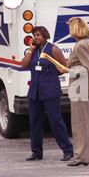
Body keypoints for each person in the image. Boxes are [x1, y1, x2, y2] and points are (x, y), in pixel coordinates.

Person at [42, 17, 89, 166]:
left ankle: (81, 157)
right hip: (85, 88)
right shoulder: (87, 43)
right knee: (88, 123)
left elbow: (86, 68)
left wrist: (67, 70)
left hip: (80, 88)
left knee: (80, 124)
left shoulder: (80, 45)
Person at [21, 26, 74, 161]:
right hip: (35, 91)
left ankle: (67, 150)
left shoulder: (53, 49)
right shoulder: (33, 51)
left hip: (50, 91)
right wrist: (30, 50)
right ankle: (36, 152)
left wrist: (51, 75)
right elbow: (24, 65)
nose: (36, 37)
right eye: (34, 35)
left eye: (38, 35)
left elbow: (63, 67)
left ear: (45, 36)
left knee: (55, 120)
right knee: (34, 122)